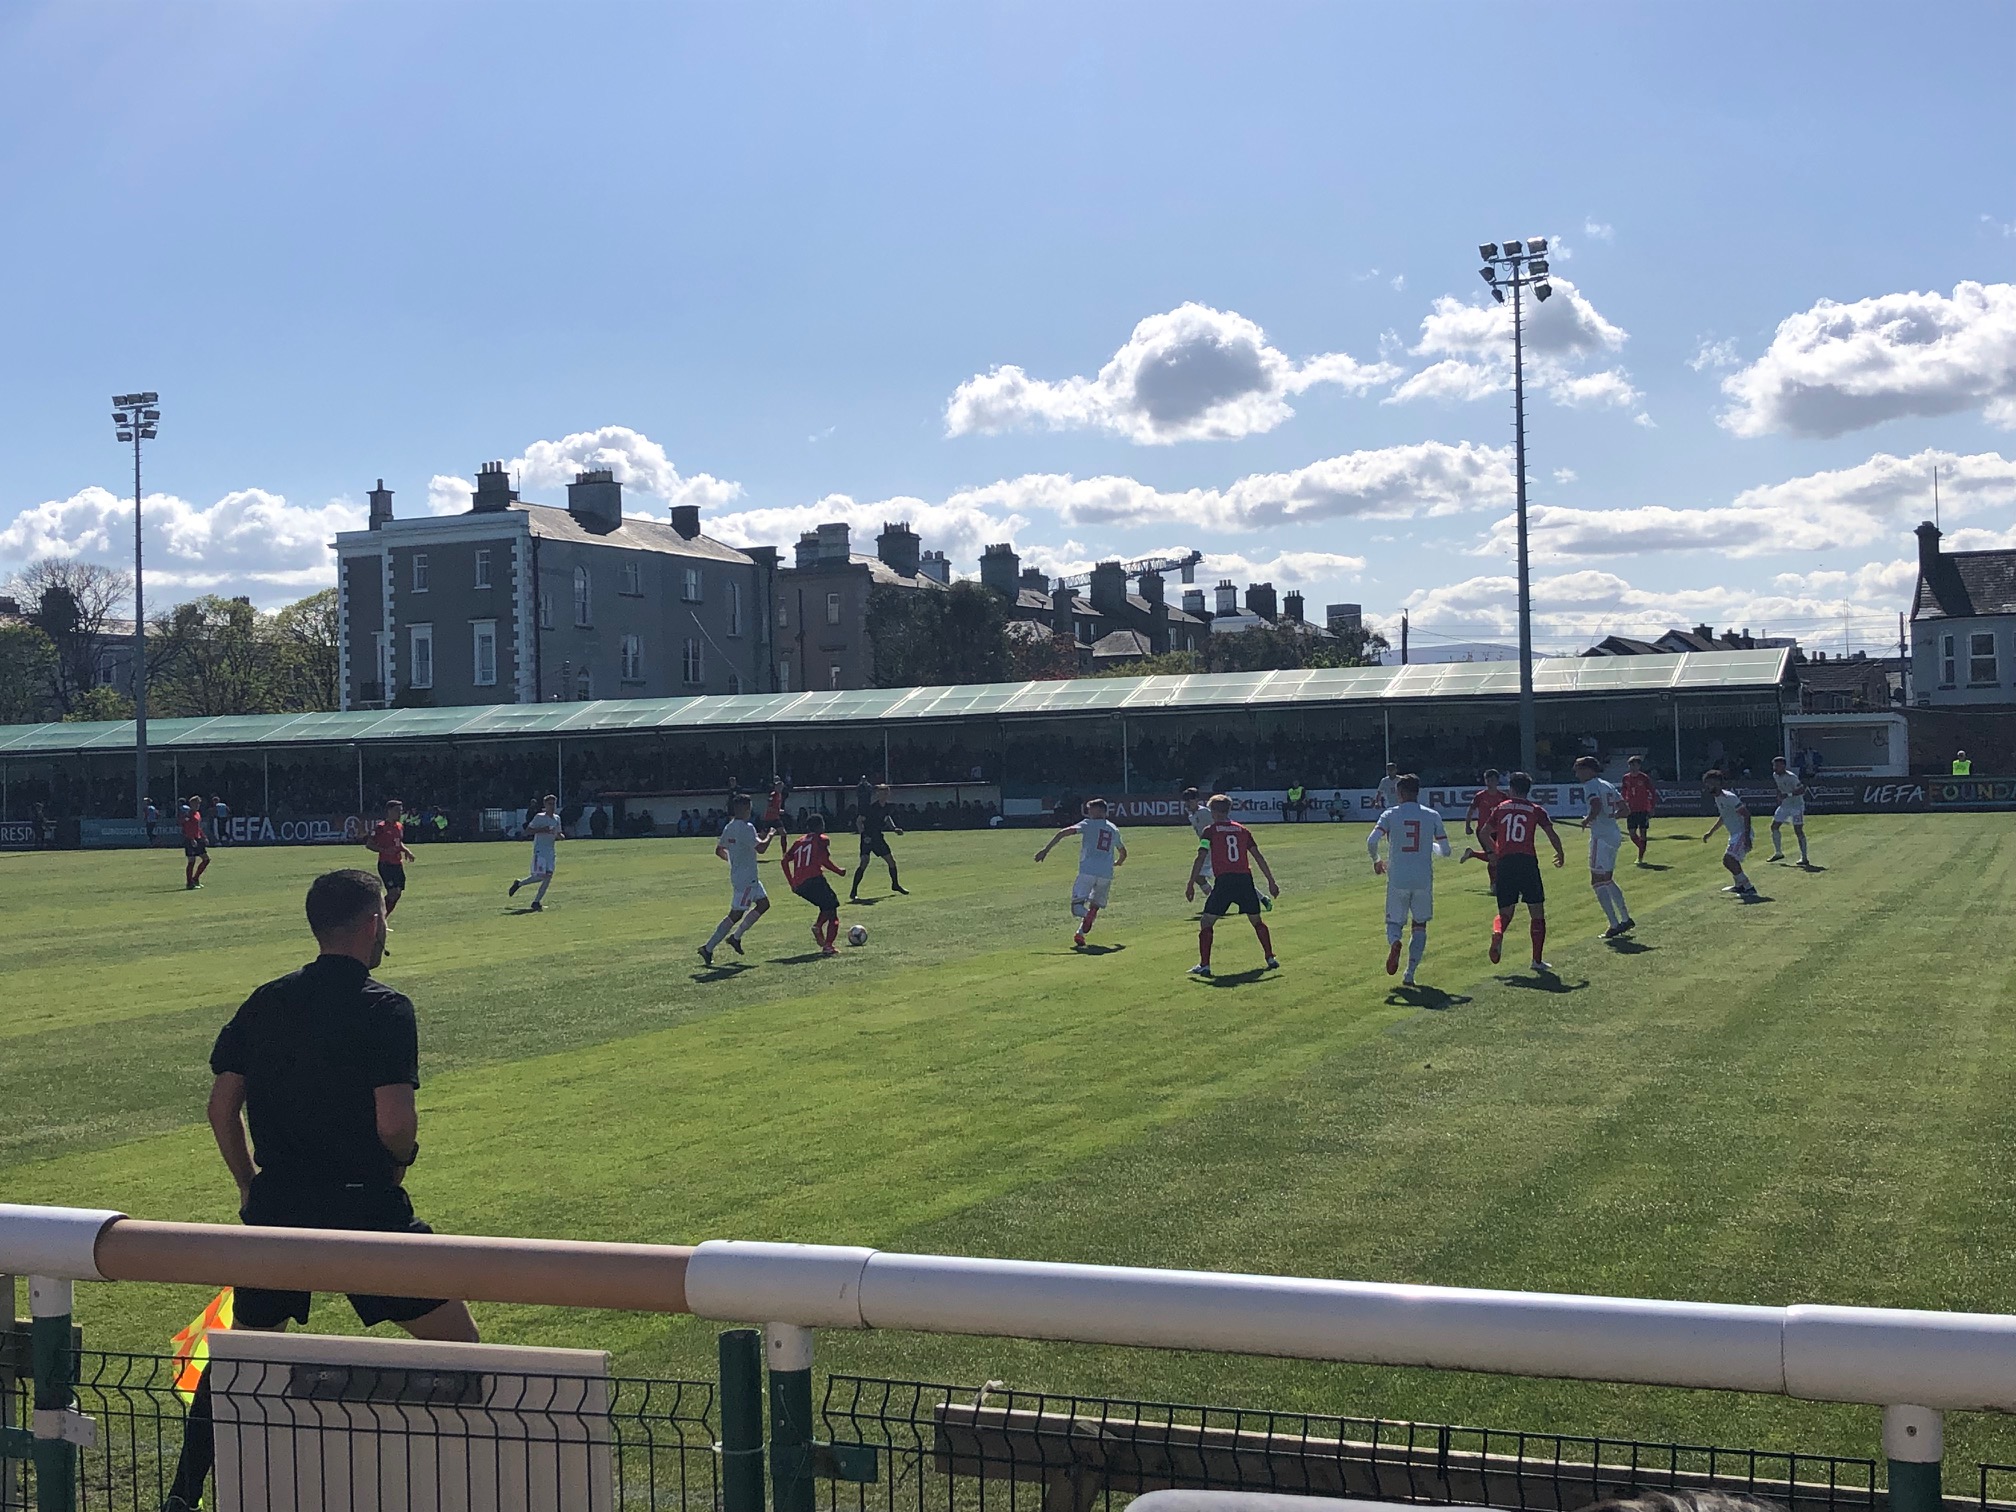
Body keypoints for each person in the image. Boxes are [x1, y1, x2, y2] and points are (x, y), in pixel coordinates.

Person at [161, 868, 478, 1512]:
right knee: (466, 1356)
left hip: (280, 1208)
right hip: (364, 1206)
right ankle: (468, 1485)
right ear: (372, 923)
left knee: (240, 1358)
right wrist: (400, 1162)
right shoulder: (385, 1007)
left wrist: (250, 1186)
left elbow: (222, 1107)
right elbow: (395, 1122)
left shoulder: (265, 1000)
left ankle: (183, 1495)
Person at [1367, 774, 1449, 986]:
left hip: (1398, 877)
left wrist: (1377, 860)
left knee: (1393, 922)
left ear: (1400, 793)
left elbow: (1372, 840)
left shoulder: (1390, 814)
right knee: (1419, 924)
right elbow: (1446, 851)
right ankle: (1410, 973)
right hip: (1423, 877)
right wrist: (1428, 845)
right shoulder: (1432, 815)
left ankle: (1395, 942)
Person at [1186, 794, 1281, 977]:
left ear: (1213, 811)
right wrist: (1271, 881)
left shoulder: (1209, 831)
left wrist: (1191, 883)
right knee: (1256, 921)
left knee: (1206, 922)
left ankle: (1204, 965)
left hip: (1224, 882)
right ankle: (1270, 957)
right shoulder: (1243, 830)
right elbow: (1257, 856)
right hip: (1245, 880)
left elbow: (1201, 856)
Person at [1485, 771, 1564, 973]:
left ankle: (1498, 932)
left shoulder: (1501, 808)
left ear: (1510, 788)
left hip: (1505, 863)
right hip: (1527, 862)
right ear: (1528, 790)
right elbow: (1551, 833)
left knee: (1505, 912)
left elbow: (1484, 832)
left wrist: (1494, 851)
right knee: (1537, 912)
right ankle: (1536, 961)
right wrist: (1560, 852)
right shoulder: (1535, 810)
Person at [1034, 797, 1128, 949]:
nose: (1088, 812)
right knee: (1095, 905)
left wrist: (1046, 850)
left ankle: (1086, 916)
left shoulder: (1088, 824)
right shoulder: (1113, 828)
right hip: (1106, 873)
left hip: (1088, 871)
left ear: (1099, 811)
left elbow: (1063, 833)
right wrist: (1119, 862)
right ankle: (1080, 933)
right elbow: (1123, 852)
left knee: (1077, 907)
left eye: (1091, 809)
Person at [701, 794, 773, 966]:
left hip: (744, 877)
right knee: (736, 914)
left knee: (764, 904)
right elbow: (761, 848)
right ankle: (708, 947)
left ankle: (735, 938)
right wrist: (771, 834)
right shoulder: (747, 827)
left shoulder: (729, 827)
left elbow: (719, 850)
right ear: (746, 808)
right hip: (747, 879)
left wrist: (734, 862)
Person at [1573, 756, 1636, 939]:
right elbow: (1625, 809)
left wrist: (1588, 819)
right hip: (1613, 834)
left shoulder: (1591, 785)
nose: (1577, 774)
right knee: (1607, 879)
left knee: (1597, 881)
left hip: (1600, 837)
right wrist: (1610, 818)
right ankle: (1624, 918)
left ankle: (1614, 924)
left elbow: (1595, 805)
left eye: (1579, 770)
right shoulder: (1607, 784)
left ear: (1589, 770)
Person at [782, 814, 847, 954]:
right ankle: (827, 944)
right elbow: (824, 860)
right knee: (833, 912)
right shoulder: (821, 839)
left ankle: (818, 927)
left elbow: (784, 861)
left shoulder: (799, 841)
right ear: (820, 826)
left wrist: (791, 882)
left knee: (826, 906)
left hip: (800, 885)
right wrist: (838, 871)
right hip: (814, 879)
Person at [1701, 770, 1758, 898]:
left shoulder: (1729, 797)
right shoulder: (1718, 798)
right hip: (1734, 834)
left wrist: (1747, 837)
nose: (1707, 786)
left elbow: (1746, 815)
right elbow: (1724, 816)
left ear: (1717, 783)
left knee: (1729, 859)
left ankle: (1749, 888)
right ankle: (1739, 886)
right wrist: (1711, 832)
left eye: (1709, 783)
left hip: (1741, 833)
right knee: (1731, 860)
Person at [851, 783, 907, 899]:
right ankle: (854, 892)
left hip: (878, 838)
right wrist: (863, 835)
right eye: (881, 792)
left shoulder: (887, 807)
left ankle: (895, 885)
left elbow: (887, 818)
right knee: (864, 862)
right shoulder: (870, 807)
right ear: (877, 794)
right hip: (868, 838)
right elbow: (859, 821)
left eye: (886, 792)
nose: (884, 795)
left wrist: (894, 828)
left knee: (891, 862)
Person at [509, 795, 564, 910]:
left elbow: (559, 833)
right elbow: (528, 831)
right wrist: (543, 829)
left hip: (550, 851)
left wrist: (560, 836)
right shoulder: (539, 817)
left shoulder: (557, 818)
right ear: (545, 805)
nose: (552, 807)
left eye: (554, 804)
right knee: (540, 876)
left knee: (548, 876)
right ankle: (519, 883)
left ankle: (536, 902)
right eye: (550, 804)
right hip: (540, 851)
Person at [364, 799, 415, 921]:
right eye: (397, 811)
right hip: (386, 864)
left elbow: (398, 842)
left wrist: (406, 850)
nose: (399, 813)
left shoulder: (399, 826)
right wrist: (385, 850)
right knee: (392, 892)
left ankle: (380, 918)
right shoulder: (381, 827)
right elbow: (369, 844)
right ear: (389, 811)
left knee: (397, 893)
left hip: (398, 864)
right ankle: (377, 918)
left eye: (401, 811)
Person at [1459, 769, 1508, 881]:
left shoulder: (1503, 797)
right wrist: (1467, 825)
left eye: (1492, 780)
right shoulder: (1480, 796)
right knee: (1492, 857)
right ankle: (1494, 883)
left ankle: (1472, 853)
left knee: (1499, 856)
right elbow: (1471, 810)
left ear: (1497, 781)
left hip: (1498, 830)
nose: (1490, 783)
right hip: (1484, 831)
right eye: (1488, 780)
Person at [1767, 755, 1812, 867]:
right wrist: (1779, 796)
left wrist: (1787, 795)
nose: (1775, 768)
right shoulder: (1775, 775)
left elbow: (1802, 790)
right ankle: (1778, 853)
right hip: (1785, 806)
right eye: (1774, 765)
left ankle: (1804, 857)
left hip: (1797, 806)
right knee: (1774, 826)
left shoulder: (1792, 777)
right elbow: (1779, 787)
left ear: (1783, 766)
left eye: (1777, 765)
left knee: (1798, 831)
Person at [1620, 755, 1658, 864]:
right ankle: (1641, 847)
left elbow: (1652, 792)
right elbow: (1623, 792)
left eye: (1635, 765)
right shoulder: (1626, 778)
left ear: (1639, 766)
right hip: (1631, 809)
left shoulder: (1644, 778)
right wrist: (1623, 804)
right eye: (1631, 765)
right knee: (1632, 834)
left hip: (1643, 809)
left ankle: (1640, 857)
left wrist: (1651, 806)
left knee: (1643, 832)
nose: (1633, 767)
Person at [1181, 786, 1214, 895]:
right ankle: (1213, 899)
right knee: (1198, 876)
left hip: (1215, 847)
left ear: (1196, 800)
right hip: (1207, 847)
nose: (1187, 804)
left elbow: (1216, 826)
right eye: (1185, 802)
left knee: (1231, 876)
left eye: (1190, 801)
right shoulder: (1191, 815)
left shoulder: (1205, 813)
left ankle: (1262, 898)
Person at [180, 794, 211, 890]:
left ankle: (195, 878)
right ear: (191, 804)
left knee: (206, 859)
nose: (197, 806)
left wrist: (203, 837)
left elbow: (198, 828)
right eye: (195, 804)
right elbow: (186, 828)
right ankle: (189, 883)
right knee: (191, 861)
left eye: (198, 804)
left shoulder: (197, 814)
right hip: (190, 839)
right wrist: (191, 839)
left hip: (198, 838)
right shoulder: (188, 814)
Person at [761, 774, 792, 840]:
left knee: (783, 833)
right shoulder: (773, 795)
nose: (780, 788)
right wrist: (778, 811)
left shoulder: (780, 795)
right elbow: (769, 808)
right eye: (778, 787)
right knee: (763, 836)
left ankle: (784, 850)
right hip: (769, 818)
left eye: (781, 787)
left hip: (776, 818)